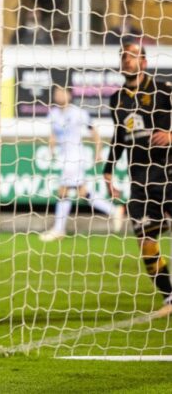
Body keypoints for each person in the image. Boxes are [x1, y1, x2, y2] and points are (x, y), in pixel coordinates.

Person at [104, 42, 172, 309]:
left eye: (132, 56)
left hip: (167, 172)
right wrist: (108, 170)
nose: (127, 60)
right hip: (140, 180)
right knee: (145, 240)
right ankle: (169, 293)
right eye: (123, 56)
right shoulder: (116, 98)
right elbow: (119, 138)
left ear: (143, 62)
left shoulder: (163, 90)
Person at [40, 85, 122, 242]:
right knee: (83, 192)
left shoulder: (78, 113)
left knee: (63, 191)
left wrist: (98, 151)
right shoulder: (53, 114)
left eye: (62, 92)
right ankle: (114, 210)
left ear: (69, 95)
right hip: (64, 158)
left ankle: (59, 230)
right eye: (56, 92)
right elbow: (52, 135)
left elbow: (94, 131)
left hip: (76, 157)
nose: (58, 95)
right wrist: (51, 149)